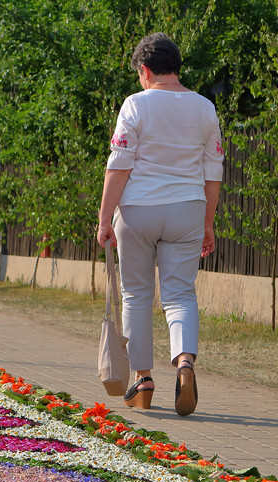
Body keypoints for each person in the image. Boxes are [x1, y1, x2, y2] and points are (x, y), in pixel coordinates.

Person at [96, 33, 223, 416]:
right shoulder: (204, 108)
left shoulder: (135, 105)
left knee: (136, 295)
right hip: (187, 208)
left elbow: (119, 166)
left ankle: (143, 380)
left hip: (138, 210)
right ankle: (185, 364)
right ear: (176, 67)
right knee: (180, 294)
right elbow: (213, 171)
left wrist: (104, 219)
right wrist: (208, 223)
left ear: (145, 70)